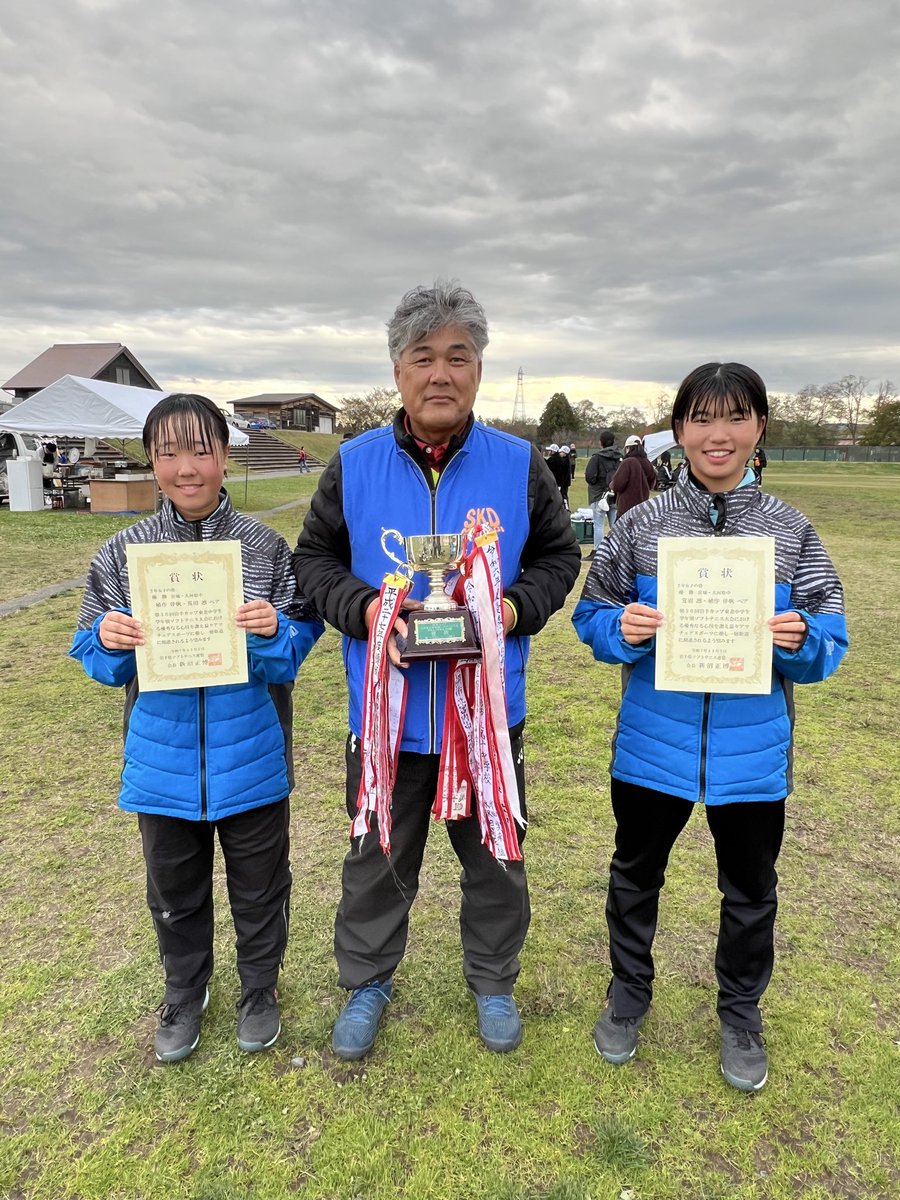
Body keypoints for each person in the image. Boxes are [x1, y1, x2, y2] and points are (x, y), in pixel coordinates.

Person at [293, 281, 581, 1061]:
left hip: (487, 712)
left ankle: (492, 979)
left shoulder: (521, 465)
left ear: (480, 370)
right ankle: (368, 982)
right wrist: (366, 616)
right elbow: (313, 561)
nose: (441, 374)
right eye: (424, 358)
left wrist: (513, 611)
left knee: (496, 854)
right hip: (384, 716)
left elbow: (559, 557)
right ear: (397, 370)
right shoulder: (351, 466)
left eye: (459, 356)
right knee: (377, 855)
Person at [572, 362, 848, 1093]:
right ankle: (628, 993)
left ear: (760, 426)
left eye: (734, 417)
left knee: (751, 891)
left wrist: (805, 641)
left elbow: (831, 632)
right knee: (635, 877)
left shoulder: (792, 530)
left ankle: (741, 1012)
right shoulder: (641, 524)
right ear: (680, 430)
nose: (716, 434)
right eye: (700, 418)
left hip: (753, 754)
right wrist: (621, 630)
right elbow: (591, 614)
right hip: (650, 749)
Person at [70, 394, 324, 1064]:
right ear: (151, 460)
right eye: (169, 451)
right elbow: (94, 656)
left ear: (225, 453)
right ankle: (185, 991)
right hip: (161, 763)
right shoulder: (122, 553)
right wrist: (107, 637)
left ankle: (259, 990)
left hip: (254, 757)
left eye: (200, 449)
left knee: (261, 887)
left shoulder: (266, 550)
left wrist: (273, 633)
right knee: (174, 892)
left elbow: (296, 646)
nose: (187, 467)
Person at [585, 429, 623, 556]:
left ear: (601, 443)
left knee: (599, 525)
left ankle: (597, 550)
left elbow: (589, 476)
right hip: (614, 494)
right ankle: (617, 550)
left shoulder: (597, 458)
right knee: (615, 525)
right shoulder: (619, 457)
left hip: (598, 495)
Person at [609, 434, 656, 518]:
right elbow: (651, 483)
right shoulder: (647, 463)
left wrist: (611, 484)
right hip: (642, 507)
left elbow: (617, 485)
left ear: (628, 448)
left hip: (626, 508)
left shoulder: (627, 462)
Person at [546, 442, 571, 508]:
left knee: (563, 495)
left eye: (561, 452)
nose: (560, 453)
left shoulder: (563, 461)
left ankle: (565, 508)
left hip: (562, 482)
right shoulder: (563, 460)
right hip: (563, 482)